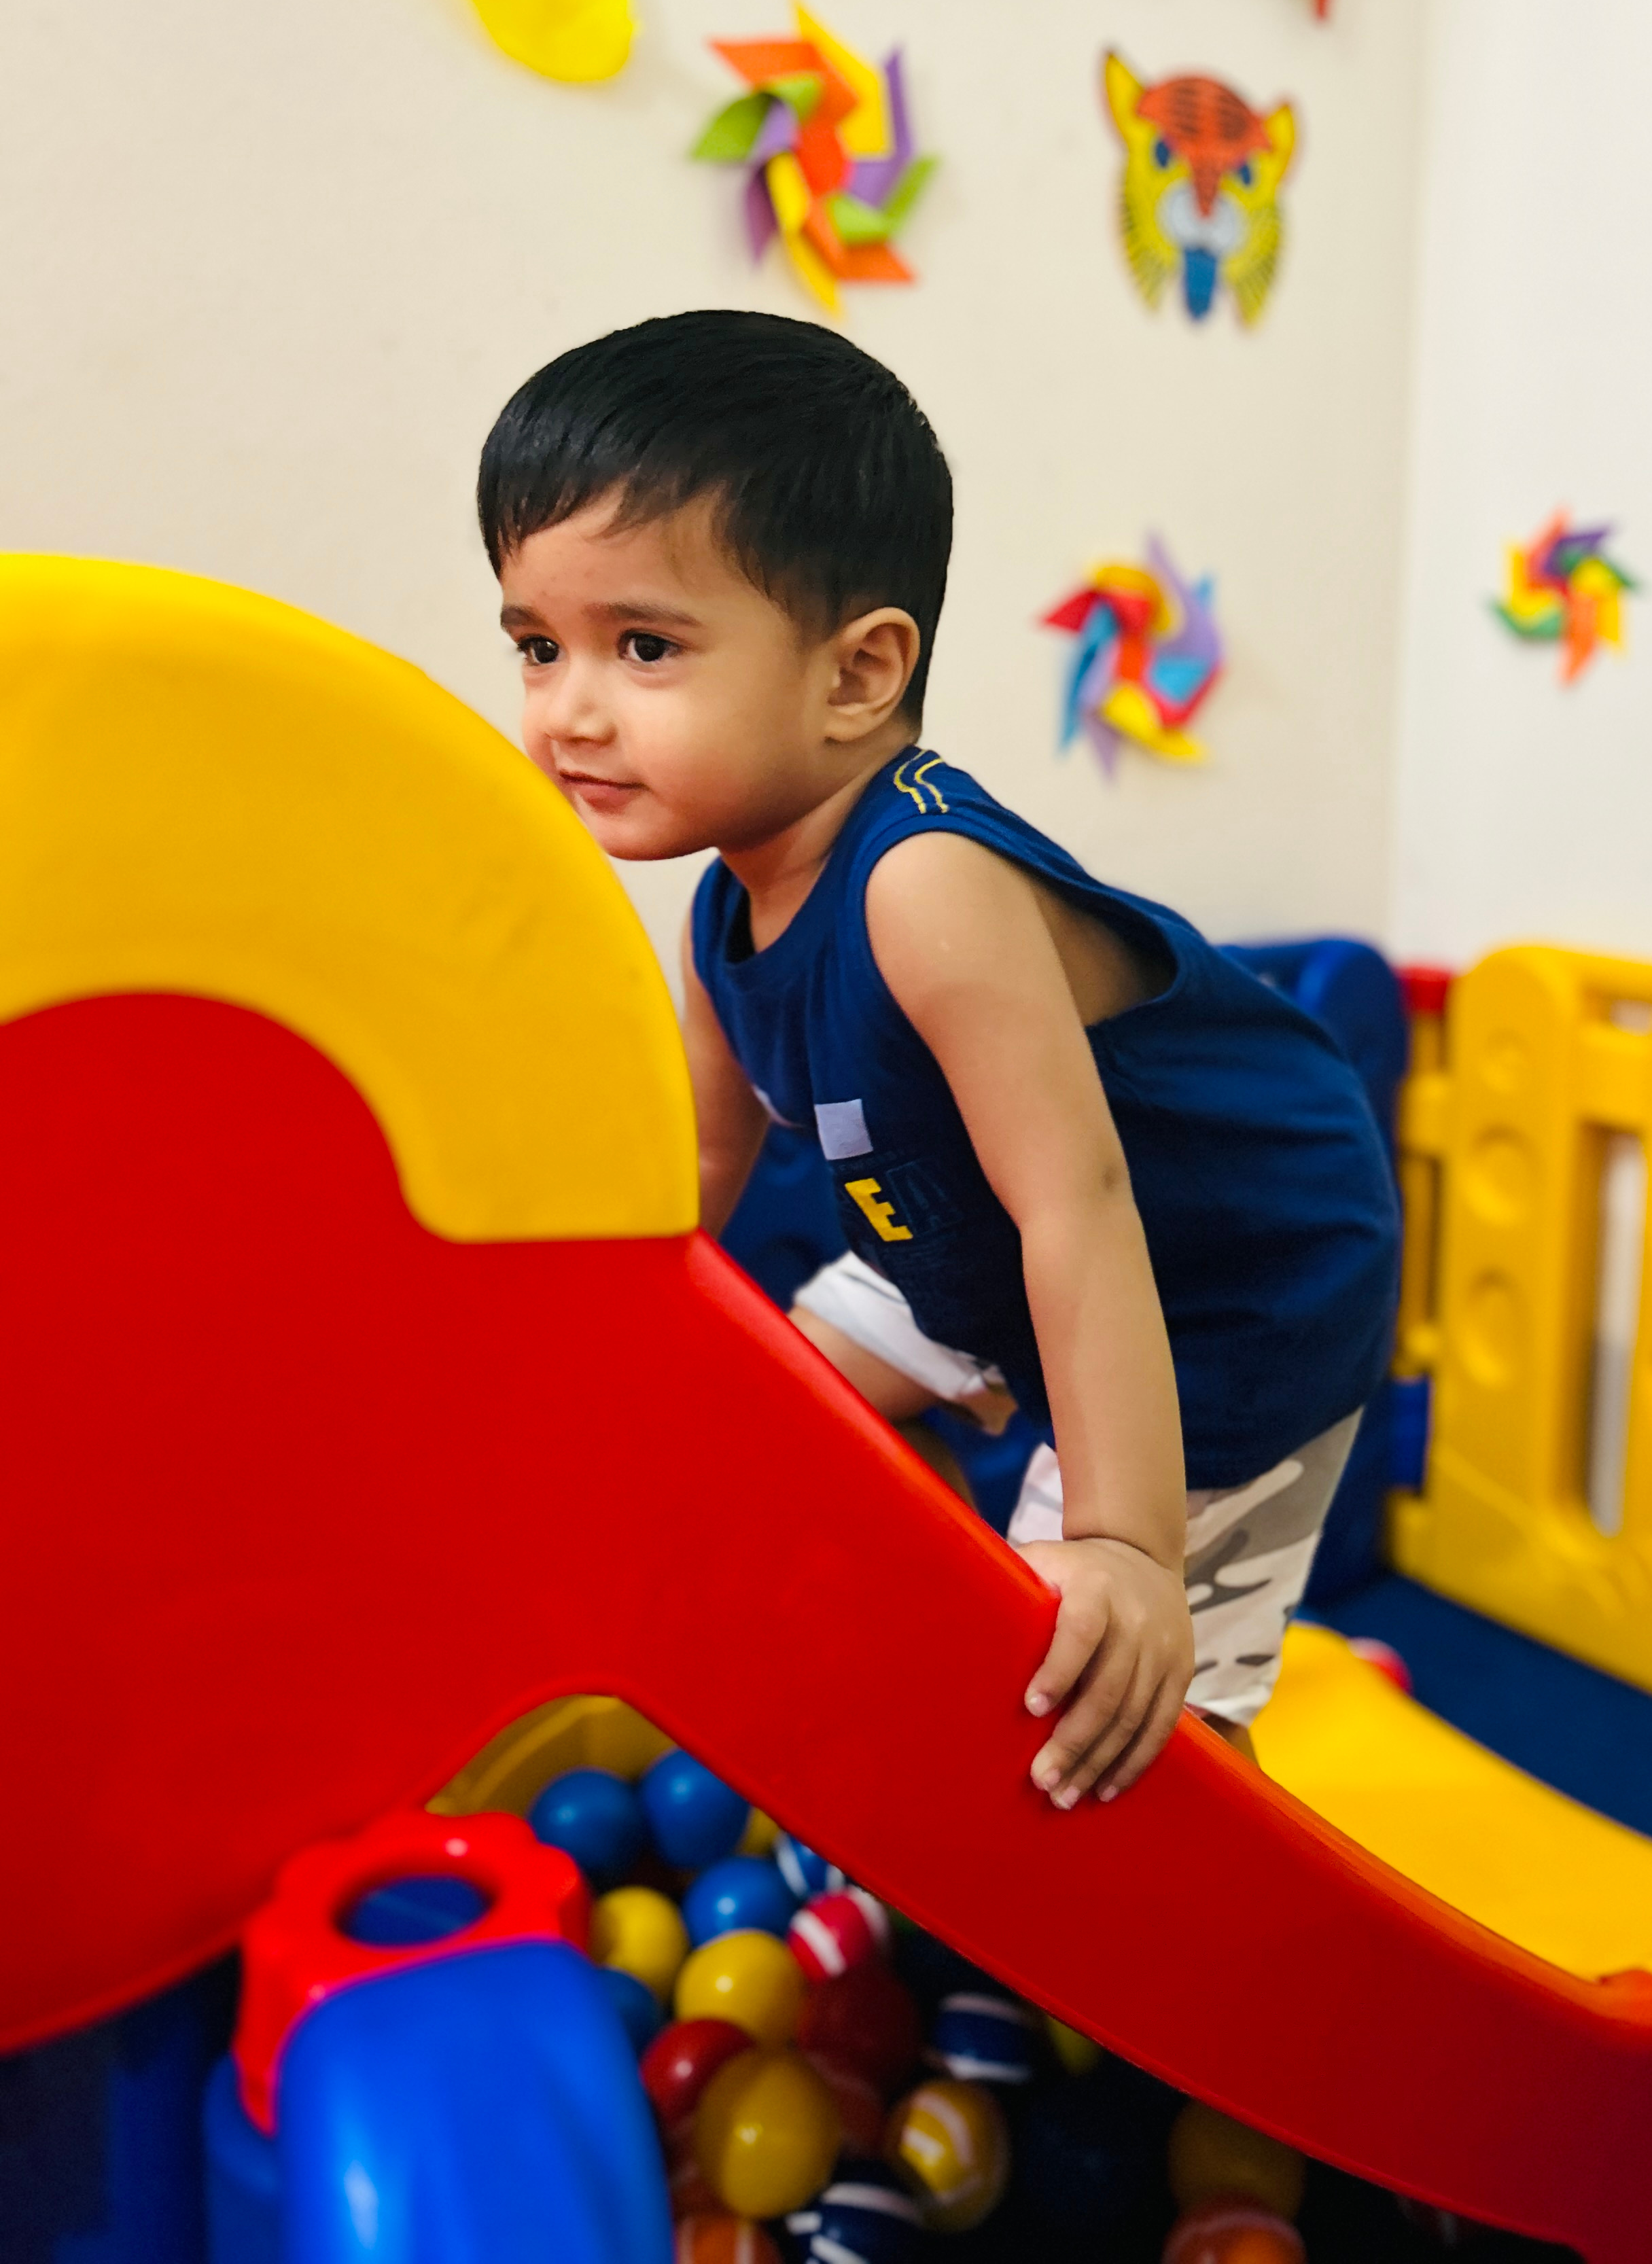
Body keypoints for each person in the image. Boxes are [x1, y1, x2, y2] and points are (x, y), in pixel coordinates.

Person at [480, 311, 1399, 1811]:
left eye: (642, 646)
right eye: (538, 645)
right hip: (955, 1238)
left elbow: (1082, 1208)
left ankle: (1172, 1886)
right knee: (767, 1415)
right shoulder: (725, 903)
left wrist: (1122, 1544)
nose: (569, 709)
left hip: (1230, 1284)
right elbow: (702, 1169)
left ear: (858, 676)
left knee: (1086, 1672)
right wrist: (593, 1365)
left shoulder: (925, 882)